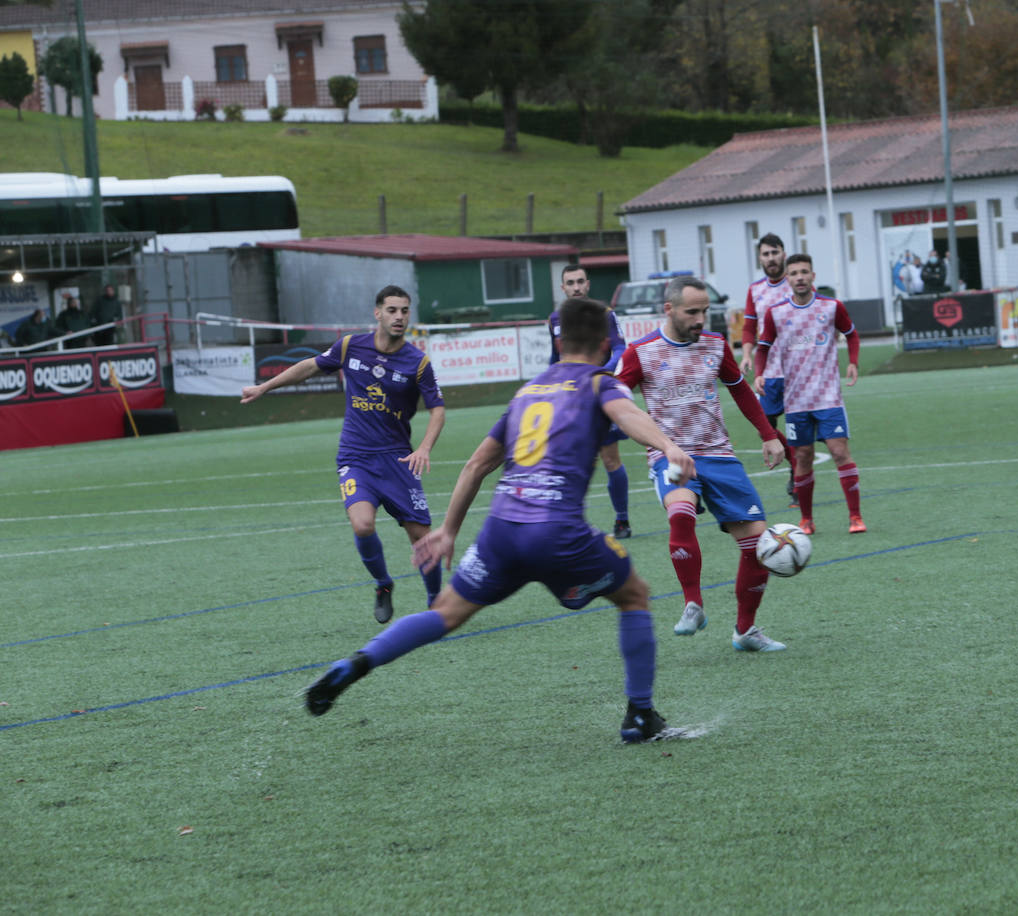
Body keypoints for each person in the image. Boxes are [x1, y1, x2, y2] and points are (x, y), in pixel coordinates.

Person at [304, 296, 696, 743]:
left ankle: (358, 662)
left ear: (559, 339)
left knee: (446, 613)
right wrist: (668, 446)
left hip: (501, 531)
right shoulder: (599, 382)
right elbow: (627, 414)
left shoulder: (527, 392)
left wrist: (448, 530)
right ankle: (641, 716)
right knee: (634, 595)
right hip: (558, 531)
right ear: (606, 343)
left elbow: (474, 466)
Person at [240, 285, 447, 623]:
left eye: (404, 311)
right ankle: (383, 584)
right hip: (356, 456)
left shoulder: (417, 362)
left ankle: (436, 600)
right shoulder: (351, 346)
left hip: (397, 459)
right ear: (377, 313)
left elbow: (437, 410)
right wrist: (264, 387)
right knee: (363, 525)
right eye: (392, 310)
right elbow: (309, 366)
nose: (399, 317)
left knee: (421, 538)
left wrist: (424, 447)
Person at [618, 276, 790, 652]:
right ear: (669, 309)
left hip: (719, 455)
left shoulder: (714, 345)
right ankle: (692, 603)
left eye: (705, 311)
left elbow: (741, 390)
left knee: (758, 546)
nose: (700, 319)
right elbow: (615, 399)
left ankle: (745, 631)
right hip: (671, 454)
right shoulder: (640, 352)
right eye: (692, 312)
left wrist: (768, 434)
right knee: (680, 512)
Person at [754, 253, 865, 536]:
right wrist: (759, 372)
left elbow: (851, 333)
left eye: (804, 272)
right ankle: (806, 520)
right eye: (794, 273)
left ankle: (855, 517)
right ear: (788, 279)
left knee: (840, 451)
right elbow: (763, 346)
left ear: (813, 276)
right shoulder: (776, 312)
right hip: (796, 400)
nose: (800, 277)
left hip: (829, 398)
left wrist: (853, 361)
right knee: (803, 456)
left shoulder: (831, 307)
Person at [548, 264, 633, 538]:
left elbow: (620, 347)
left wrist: (599, 370)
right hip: (569, 398)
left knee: (610, 459)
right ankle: (568, 522)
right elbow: (554, 358)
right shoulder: (554, 319)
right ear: (563, 288)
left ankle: (622, 518)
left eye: (580, 282)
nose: (575, 287)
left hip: (597, 393)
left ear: (588, 284)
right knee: (567, 460)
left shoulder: (605, 314)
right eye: (570, 283)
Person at [740, 232, 797, 503]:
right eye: (766, 254)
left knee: (800, 427)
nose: (771, 258)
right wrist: (747, 354)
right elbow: (750, 327)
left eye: (775, 252)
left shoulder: (797, 282)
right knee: (767, 425)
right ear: (760, 258)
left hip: (798, 370)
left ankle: (798, 477)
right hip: (768, 370)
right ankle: (796, 467)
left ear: (783, 254)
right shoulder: (755, 290)